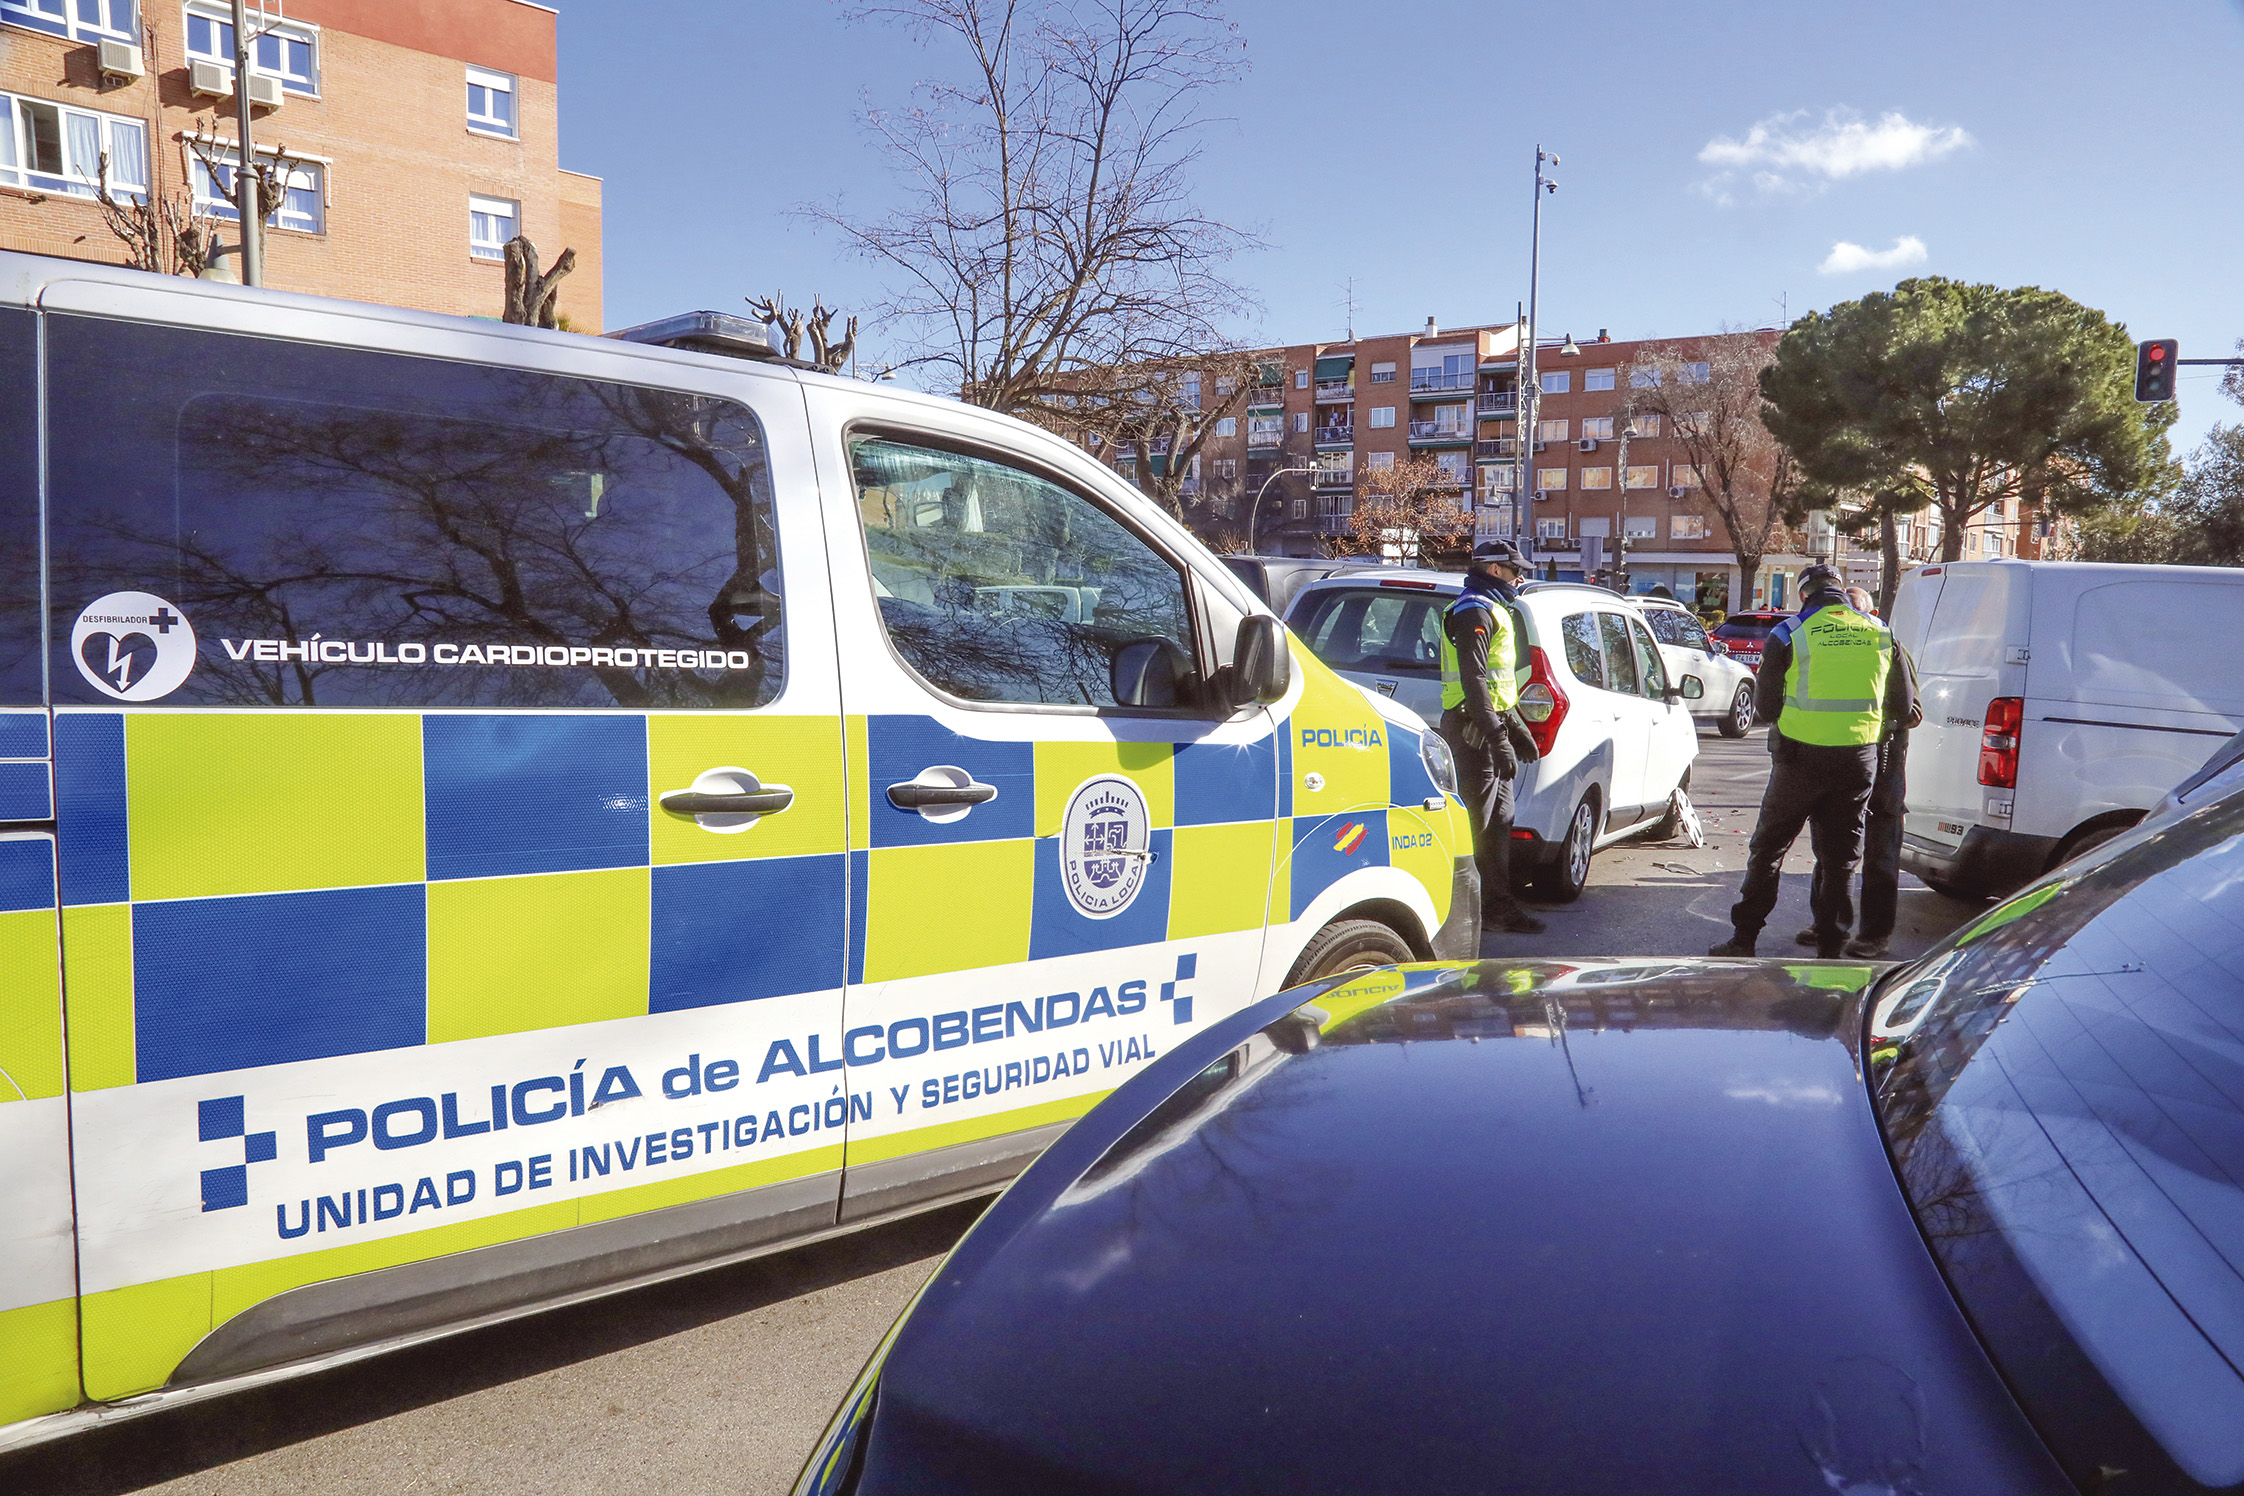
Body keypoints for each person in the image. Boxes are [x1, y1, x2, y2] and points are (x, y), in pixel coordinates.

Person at [1710, 564, 1917, 959]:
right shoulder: (1881, 633)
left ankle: (1744, 939)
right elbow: (1904, 707)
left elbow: (1766, 708)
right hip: (1858, 761)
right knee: (1841, 860)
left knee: (1769, 850)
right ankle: (1830, 945)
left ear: (1803, 595)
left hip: (1799, 760)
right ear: (1840, 591)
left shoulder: (1788, 633)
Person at [1792, 586, 1923, 958]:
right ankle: (1828, 923)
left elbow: (1913, 711)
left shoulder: (1889, 646)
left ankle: (1874, 935)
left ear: (1870, 616)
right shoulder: (1831, 646)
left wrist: (1873, 722)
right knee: (1832, 847)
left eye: (1856, 613)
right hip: (1841, 761)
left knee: (1880, 849)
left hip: (1882, 761)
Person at [1439, 538, 1545, 935]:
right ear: (1495, 570)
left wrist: (1516, 730)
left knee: (1500, 821)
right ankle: (1452, 916)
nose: (1520, 578)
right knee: (1474, 827)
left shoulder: (1492, 608)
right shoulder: (1473, 612)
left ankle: (1498, 908)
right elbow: (1474, 680)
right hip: (1473, 732)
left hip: (1489, 725)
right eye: (1516, 571)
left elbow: (1499, 686)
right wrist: (1499, 738)